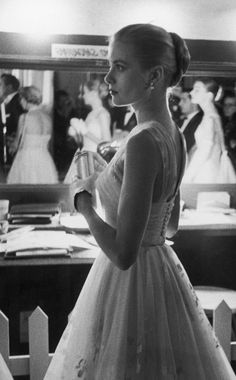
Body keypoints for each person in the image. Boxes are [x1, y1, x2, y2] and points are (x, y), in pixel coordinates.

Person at [44, 24, 235, 379]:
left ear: (154, 76)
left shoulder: (143, 141)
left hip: (128, 284)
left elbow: (123, 254)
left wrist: (84, 200)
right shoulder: (172, 135)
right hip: (161, 271)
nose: (107, 76)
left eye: (119, 66)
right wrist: (118, 181)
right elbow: (170, 224)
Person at [182, 78, 236, 183]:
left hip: (205, 173)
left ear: (209, 96)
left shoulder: (210, 118)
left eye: (197, 90)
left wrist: (187, 177)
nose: (192, 92)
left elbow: (204, 151)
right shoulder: (212, 115)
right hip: (208, 170)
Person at [7, 86, 58, 184]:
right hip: (44, 159)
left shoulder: (25, 117)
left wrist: (10, 142)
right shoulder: (48, 118)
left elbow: (16, 145)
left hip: (27, 159)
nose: (20, 102)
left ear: (25, 99)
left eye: (21, 99)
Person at [68, 78, 111, 152]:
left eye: (84, 93)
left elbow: (107, 145)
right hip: (85, 154)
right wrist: (75, 135)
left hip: (95, 158)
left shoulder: (102, 114)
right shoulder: (90, 114)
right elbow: (85, 143)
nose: (81, 96)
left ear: (93, 93)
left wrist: (86, 132)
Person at [0, 73, 24, 165]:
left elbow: (19, 123)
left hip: (14, 148)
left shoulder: (18, 101)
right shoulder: (6, 101)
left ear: (9, 87)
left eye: (0, 84)